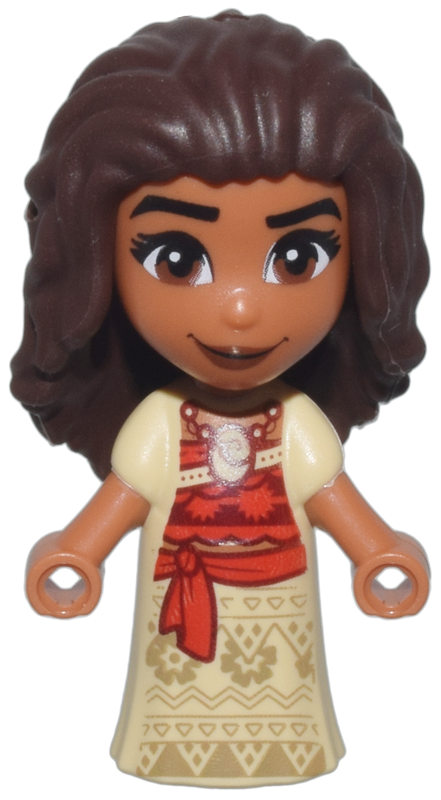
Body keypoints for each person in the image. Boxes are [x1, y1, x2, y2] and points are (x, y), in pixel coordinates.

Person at [11, 11, 429, 787]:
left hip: (278, 604)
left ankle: (287, 753)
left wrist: (377, 551)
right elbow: (126, 495)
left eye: (296, 256)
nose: (239, 308)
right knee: (176, 700)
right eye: (176, 258)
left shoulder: (293, 425)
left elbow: (328, 493)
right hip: (183, 605)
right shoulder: (161, 425)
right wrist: (77, 552)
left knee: (283, 694)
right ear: (101, 264)